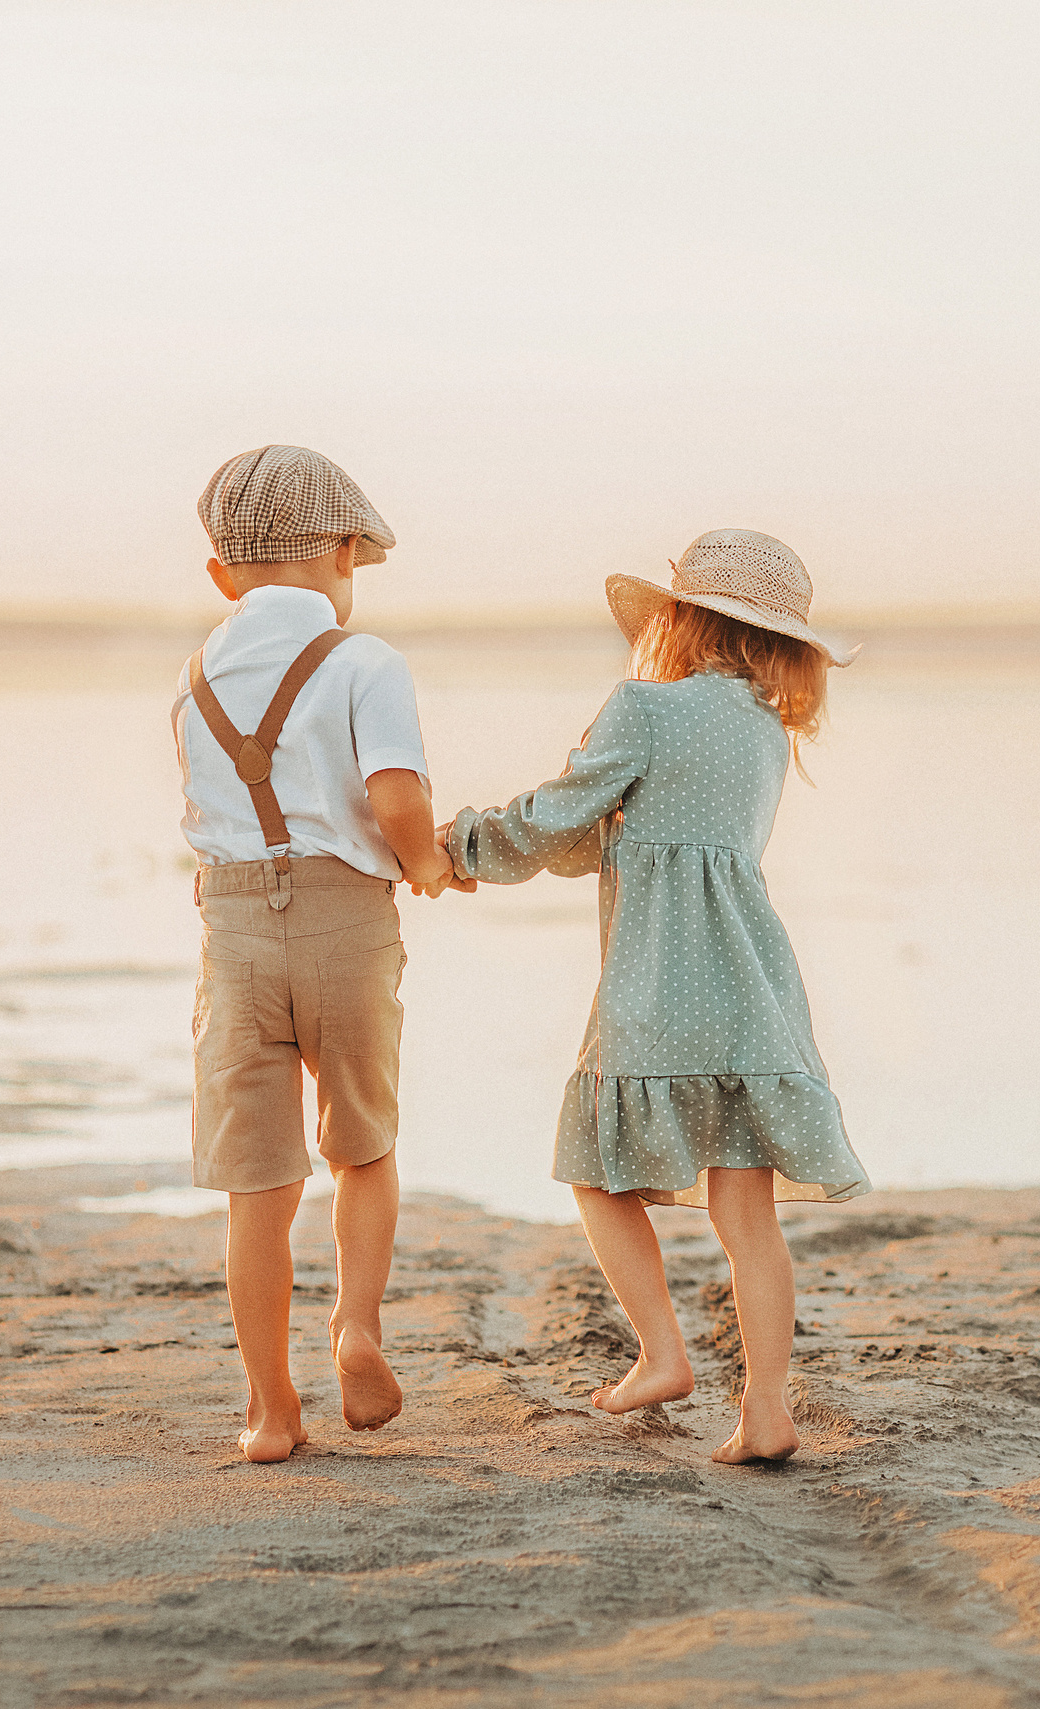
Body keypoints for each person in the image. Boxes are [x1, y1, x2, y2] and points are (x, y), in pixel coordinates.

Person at [436, 529, 870, 1466]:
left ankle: (663, 1351)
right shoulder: (766, 731)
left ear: (681, 619)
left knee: (596, 1171)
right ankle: (765, 1408)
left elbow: (562, 818)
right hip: (751, 986)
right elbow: (640, 838)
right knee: (745, 1213)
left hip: (656, 982)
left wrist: (461, 847)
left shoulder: (643, 707)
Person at [174, 444, 466, 1465]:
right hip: (345, 921)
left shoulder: (197, 669)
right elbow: (395, 797)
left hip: (238, 931)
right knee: (362, 1142)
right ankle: (356, 1327)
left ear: (222, 576)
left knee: (257, 1177)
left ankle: (267, 1405)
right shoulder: (365, 661)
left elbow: (207, 811)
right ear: (343, 553)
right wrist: (427, 864)